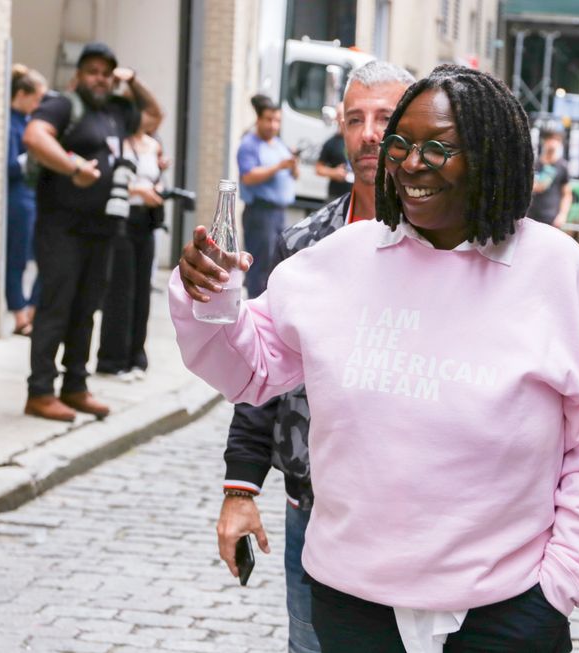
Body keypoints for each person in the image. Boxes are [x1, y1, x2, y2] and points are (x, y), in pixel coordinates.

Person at [173, 64, 579, 652]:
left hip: (505, 610)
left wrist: (563, 581)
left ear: (492, 155)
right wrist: (206, 297)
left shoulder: (554, 269)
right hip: (352, 605)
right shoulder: (337, 260)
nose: (411, 164)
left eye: (439, 148)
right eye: (403, 144)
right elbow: (249, 367)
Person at [220, 60, 414, 653]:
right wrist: (240, 488)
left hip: (414, 516)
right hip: (315, 510)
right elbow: (263, 371)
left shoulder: (448, 245)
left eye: (386, 117)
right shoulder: (306, 246)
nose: (369, 134)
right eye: (355, 119)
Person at [22, 42, 161, 422]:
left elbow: (154, 114)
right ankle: (40, 391)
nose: (99, 78)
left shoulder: (116, 111)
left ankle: (75, 386)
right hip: (62, 227)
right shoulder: (64, 105)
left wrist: (132, 81)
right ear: (79, 75)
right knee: (57, 308)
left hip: (103, 230)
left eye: (106, 72)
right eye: (93, 71)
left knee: (85, 312)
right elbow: (35, 136)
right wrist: (71, 167)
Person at [96, 107, 167, 381]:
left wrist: (157, 189)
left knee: (142, 291)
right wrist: (138, 190)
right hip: (122, 218)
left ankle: (136, 356)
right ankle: (113, 359)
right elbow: (105, 181)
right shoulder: (116, 143)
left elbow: (157, 179)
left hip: (146, 220)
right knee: (120, 291)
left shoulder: (153, 144)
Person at [237, 99, 298, 298]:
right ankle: (255, 316)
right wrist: (277, 167)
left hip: (279, 213)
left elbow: (293, 175)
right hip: (260, 213)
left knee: (277, 266)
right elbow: (248, 177)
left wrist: (292, 164)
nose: (273, 125)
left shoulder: (278, 143)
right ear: (259, 119)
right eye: (269, 120)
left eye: (277, 121)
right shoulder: (249, 145)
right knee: (260, 269)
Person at [6, 64, 47, 337]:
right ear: (21, 94)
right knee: (17, 258)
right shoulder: (10, 123)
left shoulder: (27, 121)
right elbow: (9, 166)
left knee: (44, 257)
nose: (38, 105)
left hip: (33, 196)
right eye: (36, 99)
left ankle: (31, 310)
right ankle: (21, 315)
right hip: (18, 198)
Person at [526, 131, 571, 228]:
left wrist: (563, 215)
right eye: (550, 139)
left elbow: (567, 194)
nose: (553, 143)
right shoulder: (534, 164)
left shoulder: (562, 166)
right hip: (530, 217)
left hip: (552, 219)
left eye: (556, 140)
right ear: (544, 142)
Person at [315, 103, 353, 200]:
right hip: (336, 195)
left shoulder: (358, 139)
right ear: (336, 118)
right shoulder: (331, 143)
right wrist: (333, 172)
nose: (342, 118)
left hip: (357, 196)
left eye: (345, 114)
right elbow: (318, 168)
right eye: (339, 115)